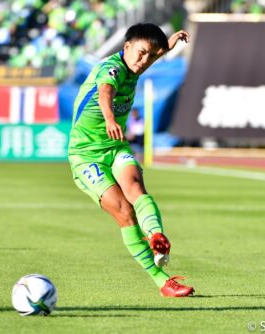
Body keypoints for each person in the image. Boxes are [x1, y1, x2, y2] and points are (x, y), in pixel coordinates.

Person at [68, 23, 194, 297]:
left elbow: (147, 57)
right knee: (125, 212)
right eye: (140, 53)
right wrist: (110, 118)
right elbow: (105, 93)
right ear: (126, 47)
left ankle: (157, 236)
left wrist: (166, 48)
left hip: (115, 147)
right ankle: (163, 281)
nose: (144, 60)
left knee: (136, 188)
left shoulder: (137, 64)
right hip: (86, 155)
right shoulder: (111, 69)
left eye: (150, 55)